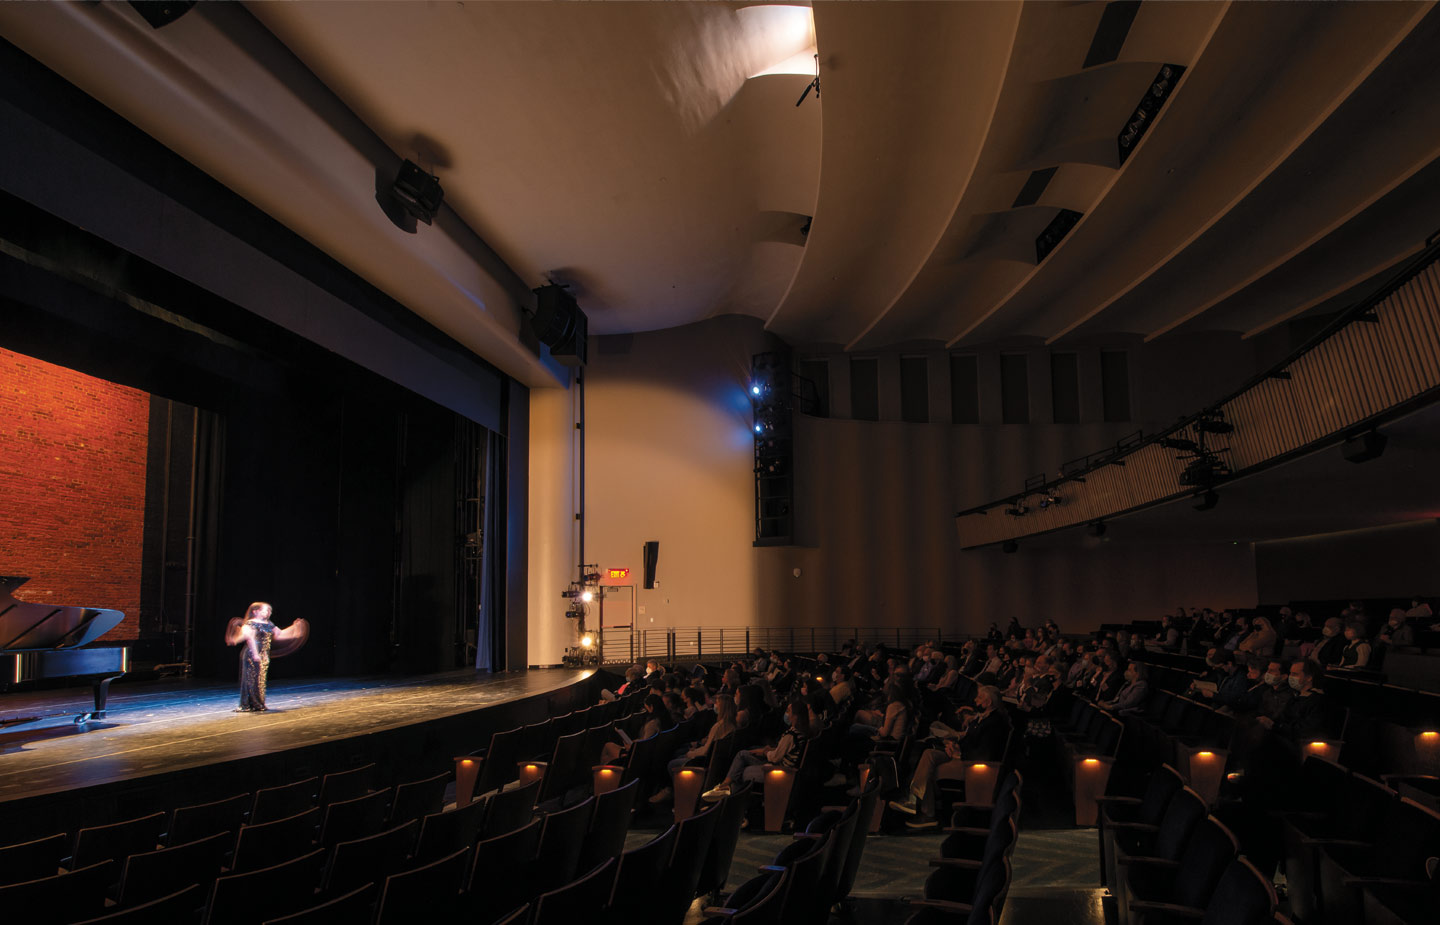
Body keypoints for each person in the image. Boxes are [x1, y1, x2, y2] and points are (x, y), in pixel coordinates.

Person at [886, 685, 1010, 827]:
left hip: (975, 766)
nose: (975, 700)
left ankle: (925, 810)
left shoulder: (995, 722)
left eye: (979, 698)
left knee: (929, 768)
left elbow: (986, 752)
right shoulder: (981, 719)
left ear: (988, 702)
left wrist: (959, 753)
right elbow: (969, 740)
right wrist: (955, 746)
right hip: (963, 756)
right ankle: (916, 802)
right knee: (929, 754)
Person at [702, 698, 810, 801]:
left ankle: (730, 800)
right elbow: (784, 751)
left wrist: (764, 751)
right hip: (778, 766)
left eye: (789, 711)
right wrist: (769, 749)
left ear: (795, 716)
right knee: (742, 754)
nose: (787, 714)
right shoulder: (801, 732)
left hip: (779, 772)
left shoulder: (791, 735)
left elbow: (775, 757)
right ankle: (725, 789)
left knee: (743, 772)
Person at [226, 601, 308, 713]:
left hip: (263, 654)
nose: (268, 612)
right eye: (265, 610)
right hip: (251, 654)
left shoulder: (268, 623)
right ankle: (250, 704)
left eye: (269, 611)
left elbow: (279, 635)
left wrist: (295, 630)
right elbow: (250, 639)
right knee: (252, 679)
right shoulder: (250, 623)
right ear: (255, 611)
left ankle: (258, 703)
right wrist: (255, 654)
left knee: (260, 680)